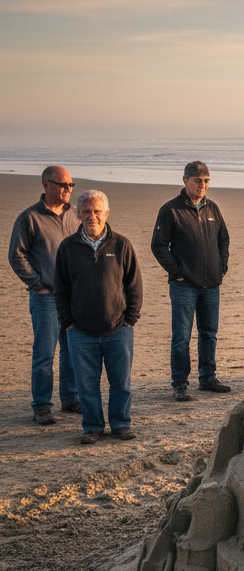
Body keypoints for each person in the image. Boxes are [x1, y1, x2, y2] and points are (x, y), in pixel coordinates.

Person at [54, 190, 143, 444]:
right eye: (86, 211)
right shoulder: (68, 248)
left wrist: (129, 320)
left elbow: (134, 285)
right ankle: (92, 427)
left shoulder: (122, 245)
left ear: (106, 213)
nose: (91, 216)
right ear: (78, 214)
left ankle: (120, 424)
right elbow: (61, 289)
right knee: (86, 385)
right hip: (80, 332)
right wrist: (69, 323)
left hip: (118, 330)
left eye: (97, 211)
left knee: (121, 383)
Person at [151, 160, 231, 402]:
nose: (202, 186)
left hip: (211, 285)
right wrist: (177, 271)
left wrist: (221, 268)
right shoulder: (170, 210)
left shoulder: (212, 208)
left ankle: (208, 378)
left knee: (209, 334)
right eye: (197, 181)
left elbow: (223, 240)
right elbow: (158, 245)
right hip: (184, 285)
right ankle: (180, 384)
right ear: (185, 181)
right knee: (181, 338)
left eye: (206, 181)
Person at [7, 165, 80, 425]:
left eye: (70, 185)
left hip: (73, 297)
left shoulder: (77, 214)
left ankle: (71, 399)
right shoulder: (29, 218)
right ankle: (41, 406)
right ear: (46, 185)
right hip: (46, 297)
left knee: (72, 351)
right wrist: (37, 284)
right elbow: (16, 255)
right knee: (44, 354)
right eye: (62, 185)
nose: (67, 189)